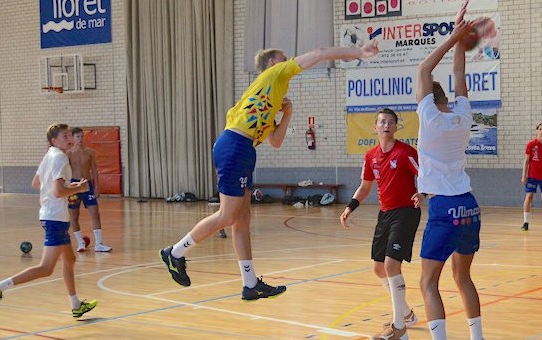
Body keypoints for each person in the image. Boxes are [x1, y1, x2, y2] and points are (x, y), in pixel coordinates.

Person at [159, 41, 379, 301]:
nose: (290, 62)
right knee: (228, 216)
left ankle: (250, 284)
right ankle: (175, 253)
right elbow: (318, 53)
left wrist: (287, 114)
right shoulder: (273, 75)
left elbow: (275, 142)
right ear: (274, 64)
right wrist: (357, 53)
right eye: (284, 58)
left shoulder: (272, 96)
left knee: (242, 222)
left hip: (245, 149)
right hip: (234, 144)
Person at [414, 5, 484, 339]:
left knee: (428, 282)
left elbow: (424, 68)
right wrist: (458, 41)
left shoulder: (428, 119)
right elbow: (459, 74)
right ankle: (477, 337)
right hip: (469, 206)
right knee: (463, 278)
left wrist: (453, 36)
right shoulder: (463, 117)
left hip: (444, 207)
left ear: (428, 98)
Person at [0, 124, 98, 318]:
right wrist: (78, 189)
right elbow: (58, 191)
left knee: (69, 259)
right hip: (54, 217)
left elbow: (36, 183)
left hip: (53, 215)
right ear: (54, 140)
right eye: (64, 136)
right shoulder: (60, 158)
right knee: (46, 268)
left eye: (70, 135)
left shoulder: (49, 156)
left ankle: (76, 304)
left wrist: (70, 185)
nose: (69, 138)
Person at [340, 108, 422, 339]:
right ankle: (406, 313)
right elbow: (365, 187)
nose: (386, 125)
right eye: (382, 122)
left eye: (390, 122)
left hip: (406, 212)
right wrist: (350, 207)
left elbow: (424, 174)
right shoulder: (370, 156)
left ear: (396, 127)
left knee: (391, 265)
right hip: (384, 214)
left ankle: (399, 329)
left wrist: (423, 193)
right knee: (378, 268)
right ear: (375, 127)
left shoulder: (406, 152)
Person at [68, 127, 111, 252]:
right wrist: (66, 188)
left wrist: (96, 186)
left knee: (95, 213)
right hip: (74, 185)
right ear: (73, 138)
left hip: (87, 185)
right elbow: (65, 171)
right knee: (74, 215)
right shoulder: (69, 153)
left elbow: (94, 170)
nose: (80, 139)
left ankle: (98, 244)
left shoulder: (90, 152)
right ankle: (80, 242)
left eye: (82, 136)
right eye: (78, 137)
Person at [521, 123, 542, 231]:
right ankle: (526, 222)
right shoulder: (531, 144)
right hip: (532, 175)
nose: (541, 131)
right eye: (540, 129)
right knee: (529, 196)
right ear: (537, 130)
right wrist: (524, 175)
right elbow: (526, 161)